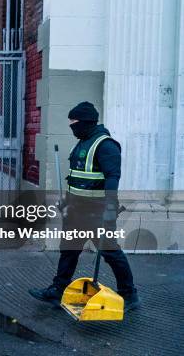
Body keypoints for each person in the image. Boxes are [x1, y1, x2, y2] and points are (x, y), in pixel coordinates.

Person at [28, 102, 140, 311]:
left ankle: (129, 295)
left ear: (86, 122)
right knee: (68, 251)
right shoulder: (81, 143)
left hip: (97, 211)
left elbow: (112, 177)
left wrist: (110, 207)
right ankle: (57, 291)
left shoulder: (106, 145)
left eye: (74, 123)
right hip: (76, 210)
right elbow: (79, 179)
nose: (72, 127)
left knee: (110, 253)